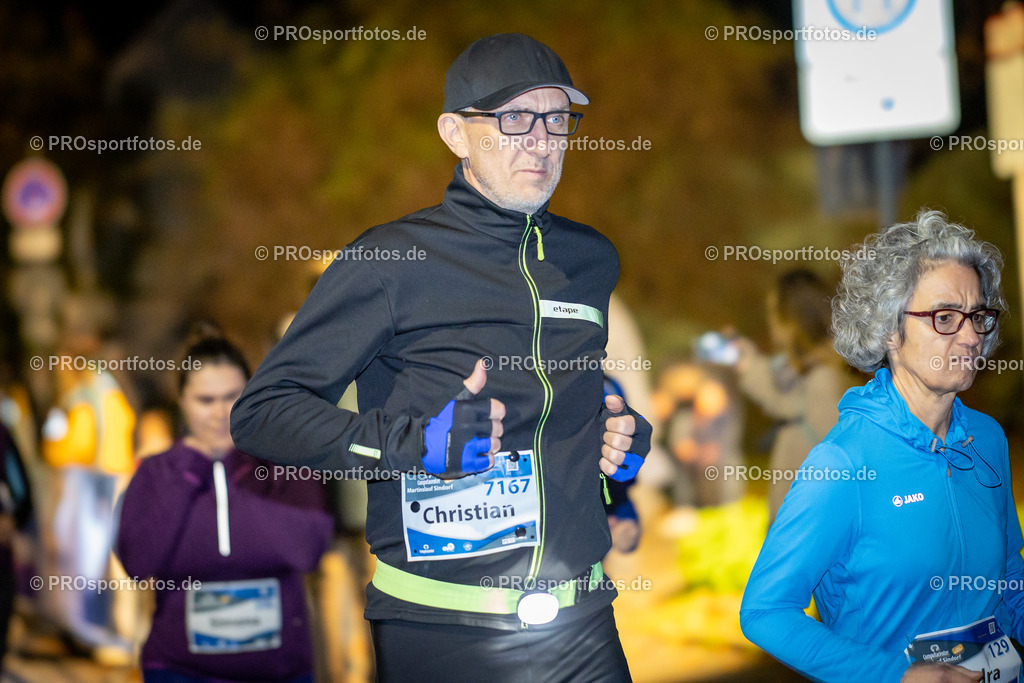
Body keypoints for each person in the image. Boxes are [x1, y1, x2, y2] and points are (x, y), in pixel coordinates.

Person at [230, 33, 652, 682]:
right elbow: (261, 412)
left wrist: (618, 433)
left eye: (557, 119)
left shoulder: (590, 259)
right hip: (444, 629)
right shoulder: (391, 261)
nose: (541, 140)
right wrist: (410, 446)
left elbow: (569, 404)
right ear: (455, 133)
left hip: (581, 623)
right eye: (514, 118)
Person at [740, 210, 1024, 681]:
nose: (972, 335)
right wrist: (897, 674)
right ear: (890, 330)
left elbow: (1010, 581)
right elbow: (766, 612)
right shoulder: (843, 462)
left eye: (979, 316)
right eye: (946, 317)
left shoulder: (987, 439)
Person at [116, 327, 332, 682]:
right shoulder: (158, 473)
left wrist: (238, 474)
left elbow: (307, 548)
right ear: (182, 400)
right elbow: (139, 561)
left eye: (232, 396)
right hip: (179, 668)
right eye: (205, 400)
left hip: (279, 670)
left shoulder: (281, 465)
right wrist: (189, 472)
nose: (219, 412)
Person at [733, 269, 851, 524]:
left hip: (811, 532)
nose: (771, 324)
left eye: (774, 314)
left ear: (791, 320)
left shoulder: (825, 381)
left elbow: (785, 402)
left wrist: (748, 366)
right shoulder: (823, 370)